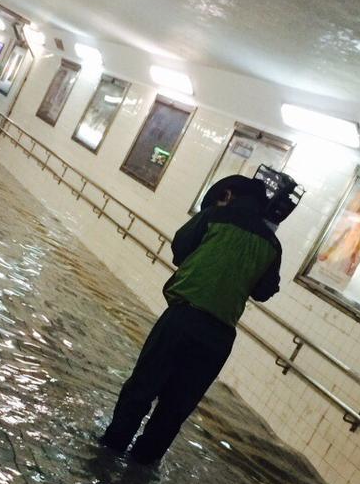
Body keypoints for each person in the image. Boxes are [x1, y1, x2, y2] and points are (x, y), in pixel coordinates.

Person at [100, 174, 282, 464]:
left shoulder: (215, 216)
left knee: (142, 387)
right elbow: (264, 291)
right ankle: (143, 463)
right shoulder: (272, 245)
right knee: (176, 407)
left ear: (229, 194)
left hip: (183, 318)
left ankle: (111, 447)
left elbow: (180, 249)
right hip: (219, 337)